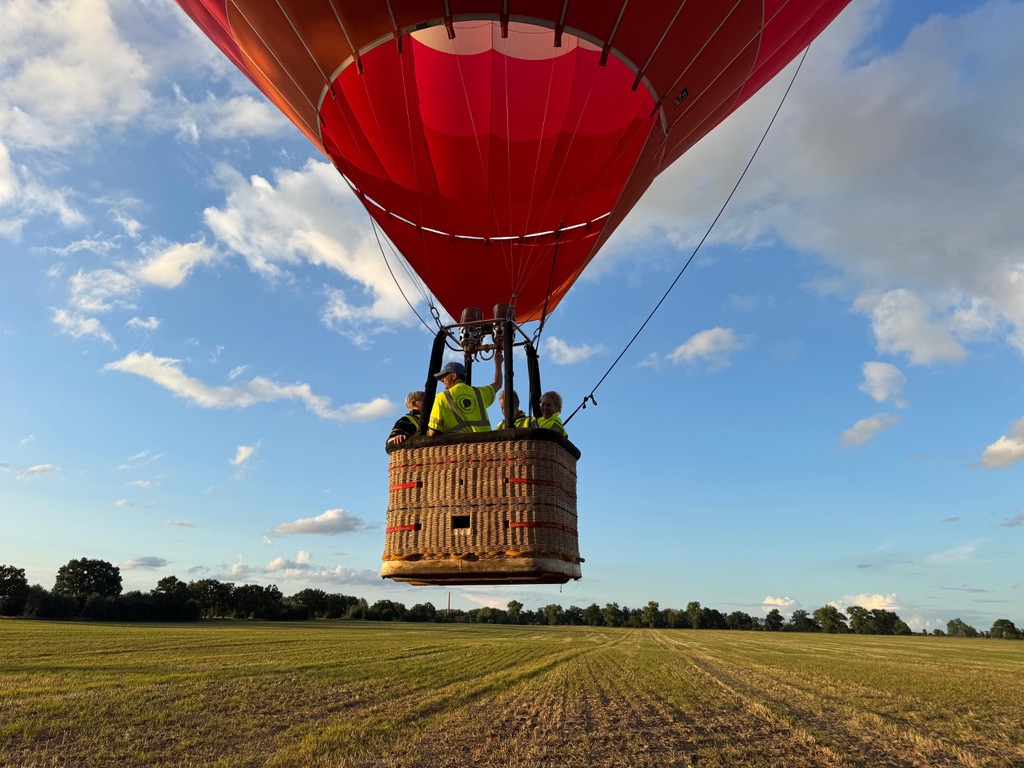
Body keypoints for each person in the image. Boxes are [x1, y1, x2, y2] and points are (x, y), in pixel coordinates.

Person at [427, 350, 503, 436]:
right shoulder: (479, 393)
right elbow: (498, 384)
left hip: (458, 444)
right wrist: (498, 363)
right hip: (485, 442)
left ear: (454, 376)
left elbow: (433, 432)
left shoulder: (441, 398)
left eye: (444, 376)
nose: (442, 380)